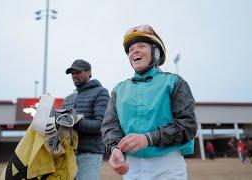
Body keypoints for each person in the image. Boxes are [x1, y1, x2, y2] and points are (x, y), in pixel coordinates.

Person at [101, 25, 197, 179]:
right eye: (131, 49)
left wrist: (149, 138)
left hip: (168, 165)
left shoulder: (174, 82)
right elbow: (110, 126)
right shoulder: (119, 89)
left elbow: (187, 124)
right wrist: (115, 149)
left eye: (141, 46)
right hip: (131, 168)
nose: (134, 51)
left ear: (156, 52)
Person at [62, 59, 110, 180]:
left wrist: (75, 122)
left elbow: (101, 126)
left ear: (89, 72)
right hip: (67, 156)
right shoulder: (68, 99)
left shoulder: (101, 92)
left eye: (77, 72)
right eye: (72, 73)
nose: (74, 75)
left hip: (89, 155)